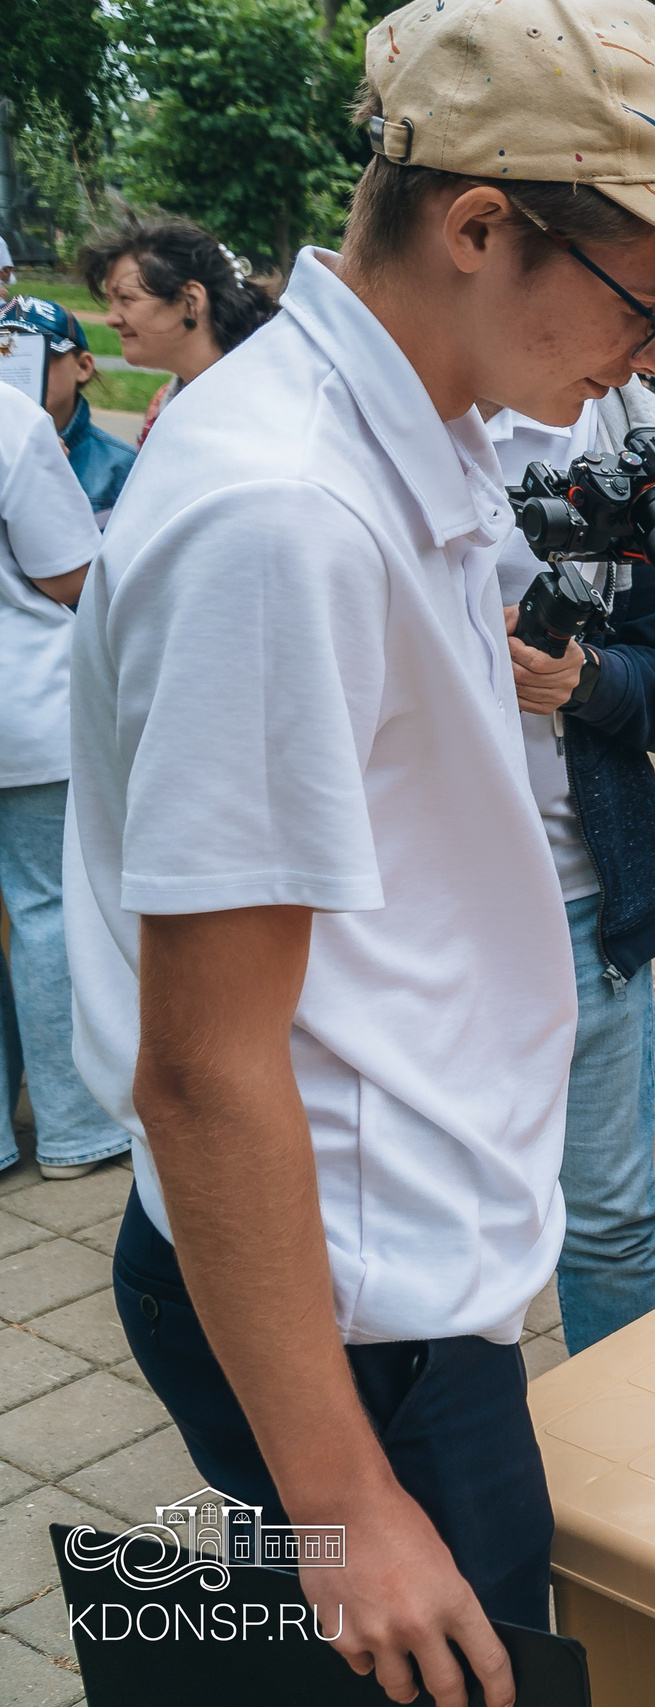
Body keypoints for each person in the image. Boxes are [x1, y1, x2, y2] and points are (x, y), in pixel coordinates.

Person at [66, 0, 655, 1697]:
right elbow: (200, 1068)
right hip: (358, 1311)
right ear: (480, 226)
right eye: (654, 304)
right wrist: (344, 1509)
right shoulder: (290, 516)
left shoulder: (405, 435)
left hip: (386, 1261)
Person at [481, 386, 655, 1354]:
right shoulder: (383, 411)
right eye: (641, 300)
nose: (652, 337)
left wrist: (587, 679)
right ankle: (449, 1478)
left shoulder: (630, 426)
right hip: (405, 924)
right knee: (441, 1240)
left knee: (614, 1227)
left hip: (585, 906)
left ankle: (623, 1480)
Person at [0, 374, 130, 1183]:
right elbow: (70, 573)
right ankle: (74, 1128)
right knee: (48, 910)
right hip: (22, 704)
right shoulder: (9, 418)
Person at [77, 217, 277, 446]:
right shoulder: (165, 404)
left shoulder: (263, 407)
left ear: (191, 301)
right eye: (111, 301)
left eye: (126, 298)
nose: (111, 319)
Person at [6, 297, 135, 522]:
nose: (22, 369)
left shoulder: (124, 467)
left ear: (83, 367)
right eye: (4, 354)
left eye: (41, 352)